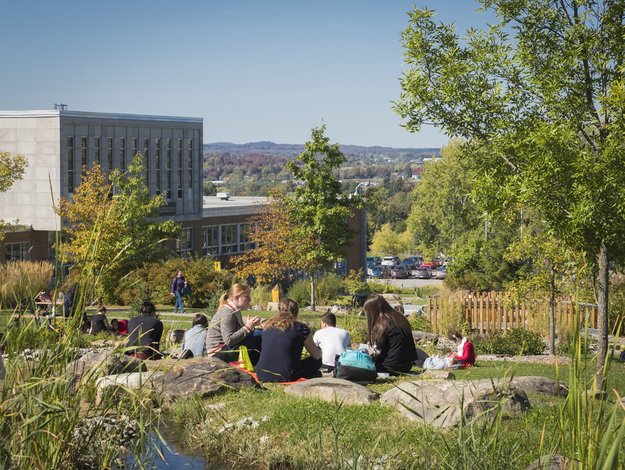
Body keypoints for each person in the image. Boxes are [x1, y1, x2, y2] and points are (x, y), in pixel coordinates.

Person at [256, 298, 322, 382]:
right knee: (317, 360)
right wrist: (321, 352)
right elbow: (316, 355)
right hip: (287, 376)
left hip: (262, 374)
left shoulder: (267, 326)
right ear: (296, 313)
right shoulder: (301, 328)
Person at [205, 284, 262, 363]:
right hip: (218, 353)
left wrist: (250, 327)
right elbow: (228, 340)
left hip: (223, 350)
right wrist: (248, 327)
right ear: (237, 298)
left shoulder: (234, 310)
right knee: (259, 335)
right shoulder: (228, 312)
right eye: (247, 296)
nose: (250, 300)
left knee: (259, 333)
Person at [363, 294, 417, 375]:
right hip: (407, 365)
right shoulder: (400, 317)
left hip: (390, 367)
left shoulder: (382, 324)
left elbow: (379, 352)